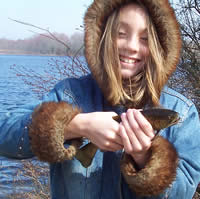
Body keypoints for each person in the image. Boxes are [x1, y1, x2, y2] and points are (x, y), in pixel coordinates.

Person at [1, 0, 200, 198]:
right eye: (121, 34)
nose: (131, 46)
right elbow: (5, 134)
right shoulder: (69, 94)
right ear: (103, 37)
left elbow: (183, 192)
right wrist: (75, 125)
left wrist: (146, 158)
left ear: (159, 47)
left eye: (145, 38)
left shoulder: (182, 111)